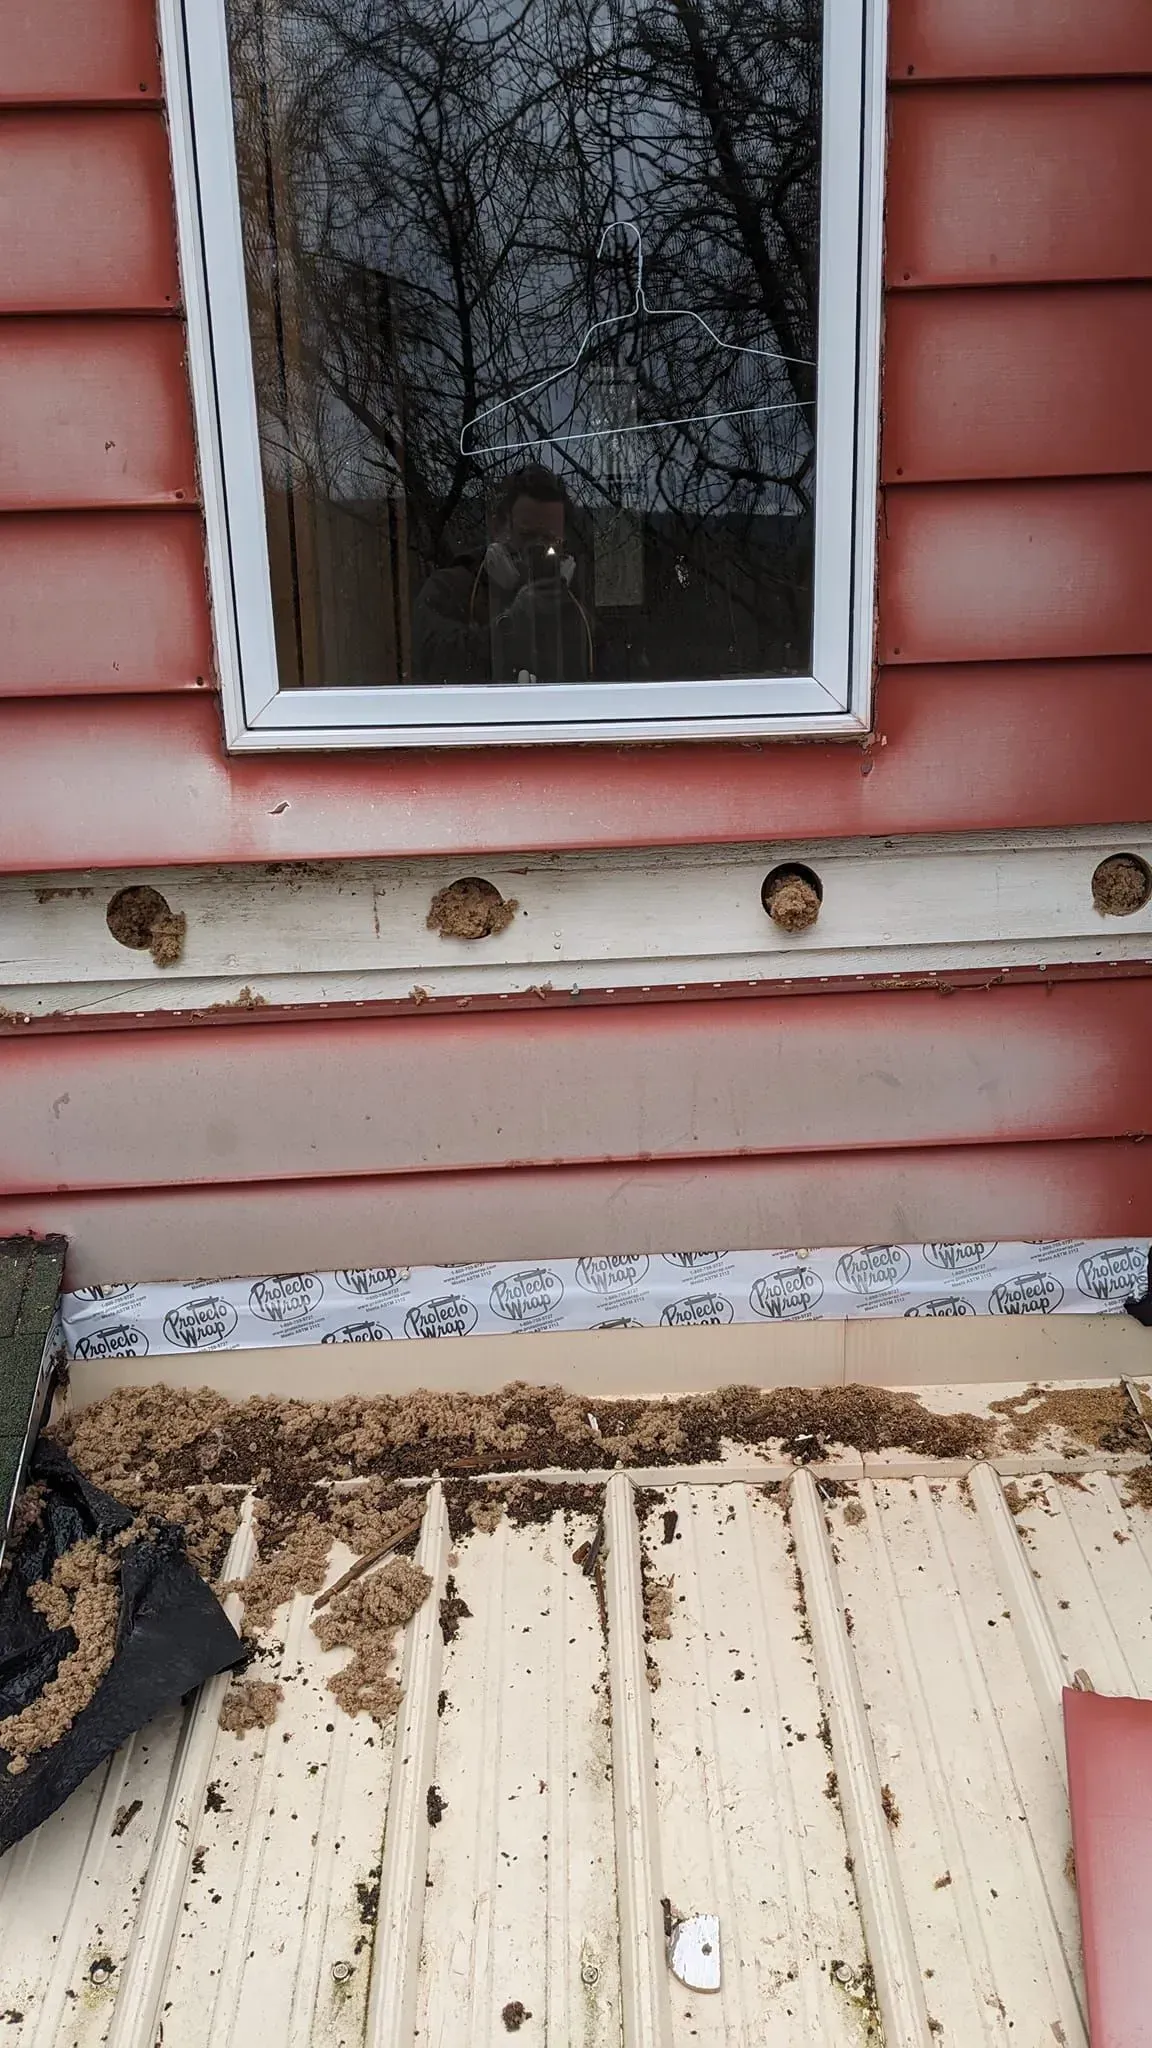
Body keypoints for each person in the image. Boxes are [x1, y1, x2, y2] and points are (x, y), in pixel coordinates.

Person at [412, 465, 593, 685]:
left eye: (551, 540)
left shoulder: (575, 600)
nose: (538, 549)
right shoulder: (450, 588)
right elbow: (433, 662)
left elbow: (606, 668)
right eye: (526, 536)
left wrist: (569, 613)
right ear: (497, 527)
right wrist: (513, 621)